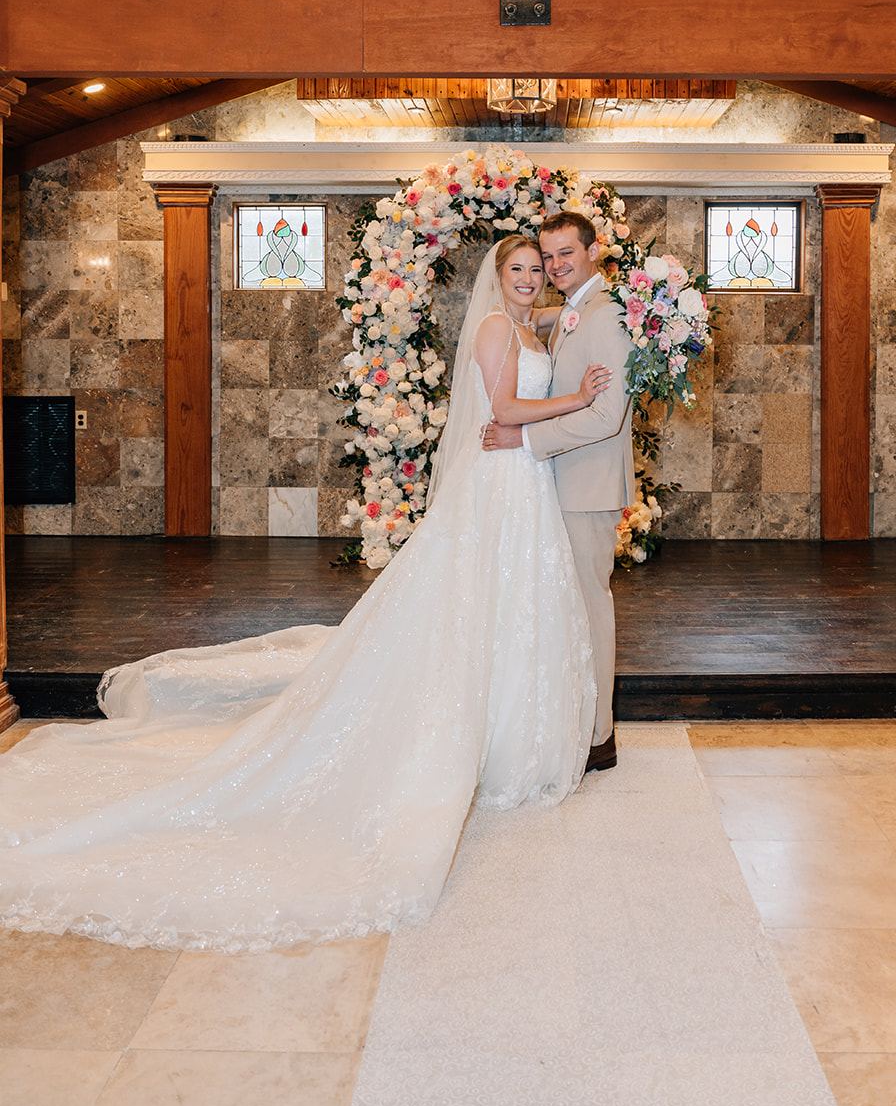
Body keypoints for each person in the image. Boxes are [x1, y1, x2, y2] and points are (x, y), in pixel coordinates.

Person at [0, 236, 610, 953]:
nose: (529, 279)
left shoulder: (525, 324)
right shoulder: (489, 327)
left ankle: (513, 732)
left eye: (538, 270)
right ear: (496, 277)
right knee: (477, 604)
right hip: (502, 481)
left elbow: (548, 344)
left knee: (516, 606)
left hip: (523, 483)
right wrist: (579, 396)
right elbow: (502, 407)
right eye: (518, 270)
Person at [484, 213, 635, 772]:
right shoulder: (578, 310)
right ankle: (578, 719)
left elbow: (607, 417)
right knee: (568, 607)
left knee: (591, 607)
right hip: (562, 481)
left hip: (587, 483)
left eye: (565, 254)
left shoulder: (608, 314)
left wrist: (523, 438)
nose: (554, 266)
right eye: (546, 258)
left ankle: (600, 737)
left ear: (594, 251)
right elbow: (543, 312)